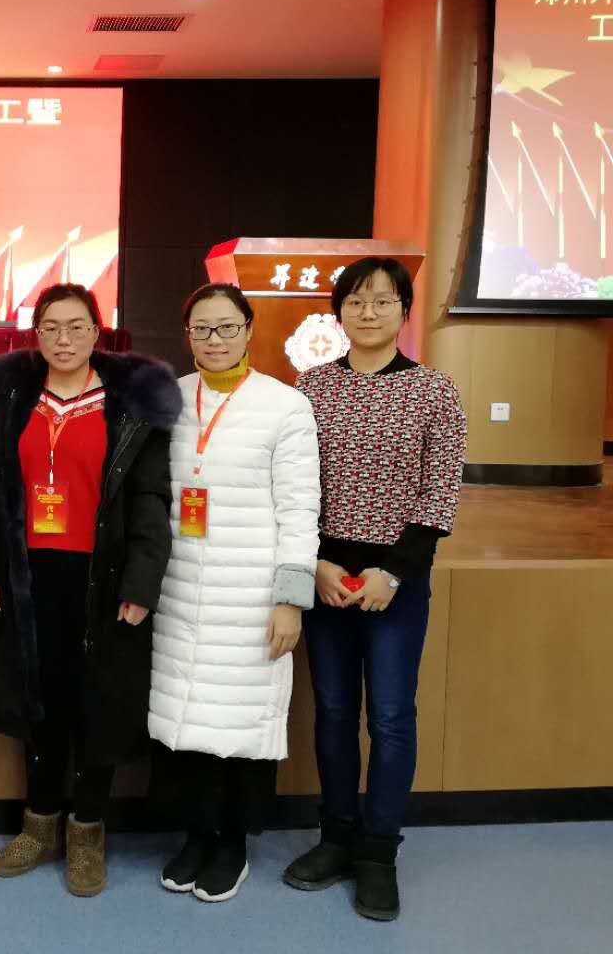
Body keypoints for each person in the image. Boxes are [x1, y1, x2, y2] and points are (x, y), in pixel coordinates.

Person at [0, 283, 178, 898]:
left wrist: (142, 582)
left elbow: (150, 500)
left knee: (98, 706)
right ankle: (39, 826)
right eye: (51, 327)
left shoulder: (131, 404)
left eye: (77, 327)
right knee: (40, 702)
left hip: (103, 577)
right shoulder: (11, 397)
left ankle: (87, 831)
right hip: (28, 575)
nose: (64, 339)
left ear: (97, 332)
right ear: (36, 334)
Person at [285, 257, 467, 922]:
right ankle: (336, 836)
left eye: (382, 301)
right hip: (327, 575)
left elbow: (439, 492)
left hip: (397, 580)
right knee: (333, 711)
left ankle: (378, 853)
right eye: (356, 302)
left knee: (389, 717)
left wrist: (394, 573)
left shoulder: (434, 392)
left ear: (403, 311)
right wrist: (316, 563)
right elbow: (293, 482)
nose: (368, 313)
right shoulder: (311, 388)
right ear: (339, 312)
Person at [146, 283, 320, 902]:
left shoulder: (284, 406)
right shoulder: (169, 399)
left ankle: (233, 843)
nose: (213, 340)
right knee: (187, 716)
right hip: (179, 590)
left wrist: (290, 598)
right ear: (187, 334)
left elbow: (300, 509)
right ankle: (197, 834)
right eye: (201, 328)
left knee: (242, 723)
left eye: (226, 327)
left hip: (250, 595)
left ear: (249, 330)